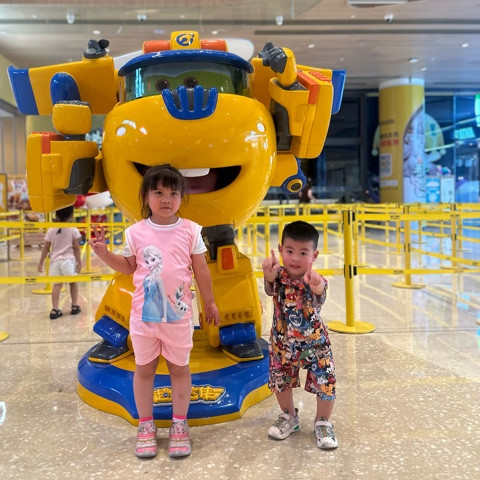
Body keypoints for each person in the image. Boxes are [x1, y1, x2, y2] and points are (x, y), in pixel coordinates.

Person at [89, 164, 220, 459]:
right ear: (146, 196)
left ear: (181, 197)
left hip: (178, 319)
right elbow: (128, 267)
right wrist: (105, 254)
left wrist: (210, 302)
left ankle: (179, 424)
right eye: (158, 192)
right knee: (144, 369)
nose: (166, 199)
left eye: (173, 193)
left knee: (179, 369)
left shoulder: (191, 230)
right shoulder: (136, 232)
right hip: (143, 319)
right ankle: (145, 425)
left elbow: (201, 270)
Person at [262, 220, 337, 450]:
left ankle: (323, 422)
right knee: (280, 380)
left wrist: (317, 285)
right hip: (282, 343)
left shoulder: (314, 279)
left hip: (315, 345)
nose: (295, 258)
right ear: (280, 249)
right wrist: (268, 274)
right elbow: (269, 288)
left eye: (303, 253)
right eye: (290, 251)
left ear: (314, 255)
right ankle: (289, 416)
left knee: (325, 381)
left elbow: (320, 294)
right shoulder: (279, 275)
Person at [38, 206, 82, 319]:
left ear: (56, 215)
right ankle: (74, 305)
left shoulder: (51, 230)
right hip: (68, 261)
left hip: (55, 262)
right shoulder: (73, 229)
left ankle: (55, 309)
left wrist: (41, 263)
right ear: (71, 215)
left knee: (57, 285)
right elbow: (76, 248)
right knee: (73, 283)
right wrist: (79, 262)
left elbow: (46, 248)